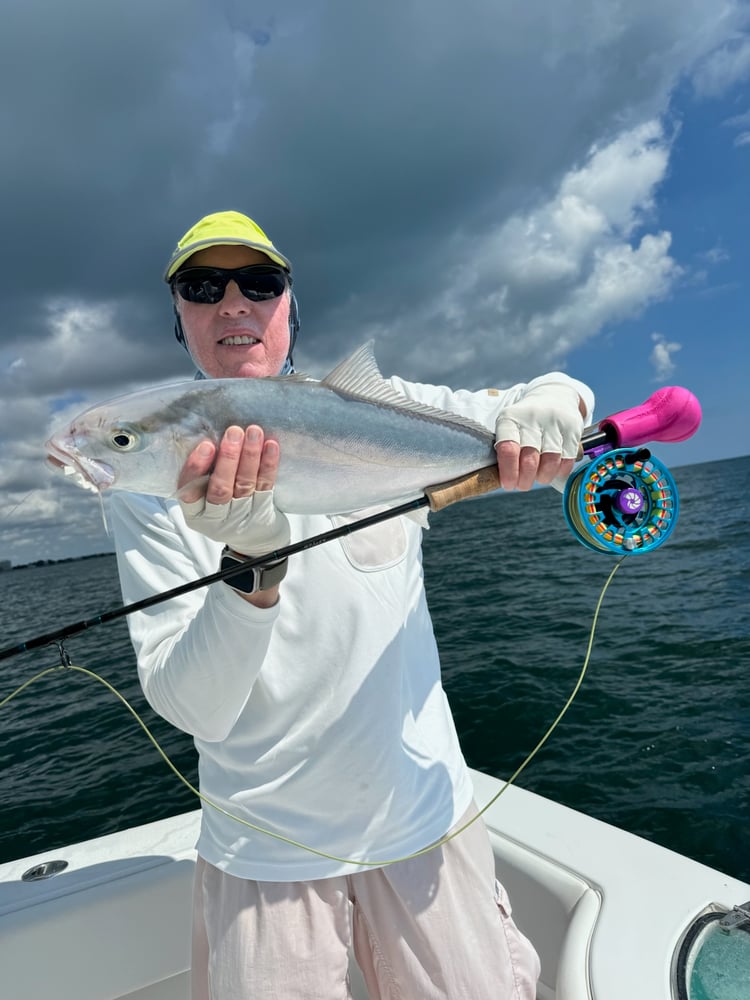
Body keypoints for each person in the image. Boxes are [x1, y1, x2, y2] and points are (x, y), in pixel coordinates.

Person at [110, 210, 594, 1000]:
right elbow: (190, 705)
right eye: (203, 286)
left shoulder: (386, 404)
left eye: (259, 283)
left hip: (427, 822)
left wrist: (557, 395)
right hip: (264, 854)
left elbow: (532, 401)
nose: (234, 303)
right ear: (179, 317)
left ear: (289, 305)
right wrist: (251, 569)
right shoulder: (150, 479)